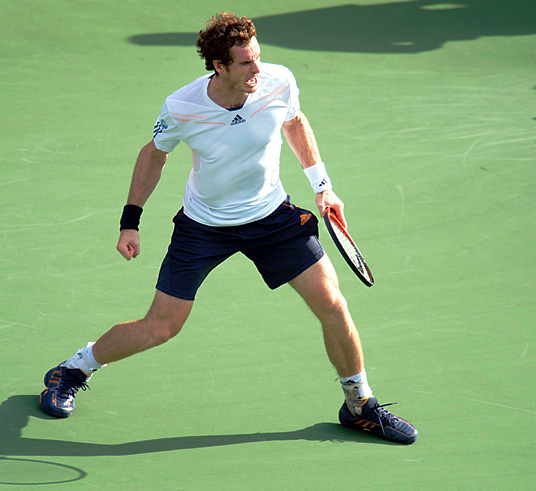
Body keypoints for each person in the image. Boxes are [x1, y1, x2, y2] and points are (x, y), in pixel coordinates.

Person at [40, 12, 418, 445]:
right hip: (205, 226)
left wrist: (323, 187)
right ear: (219, 66)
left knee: (333, 305)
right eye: (245, 63)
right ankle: (72, 369)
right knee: (162, 326)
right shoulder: (182, 106)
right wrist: (131, 222)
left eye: (258, 57)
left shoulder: (279, 81)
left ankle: (359, 405)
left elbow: (294, 122)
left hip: (272, 217)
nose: (258, 70)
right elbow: (154, 155)